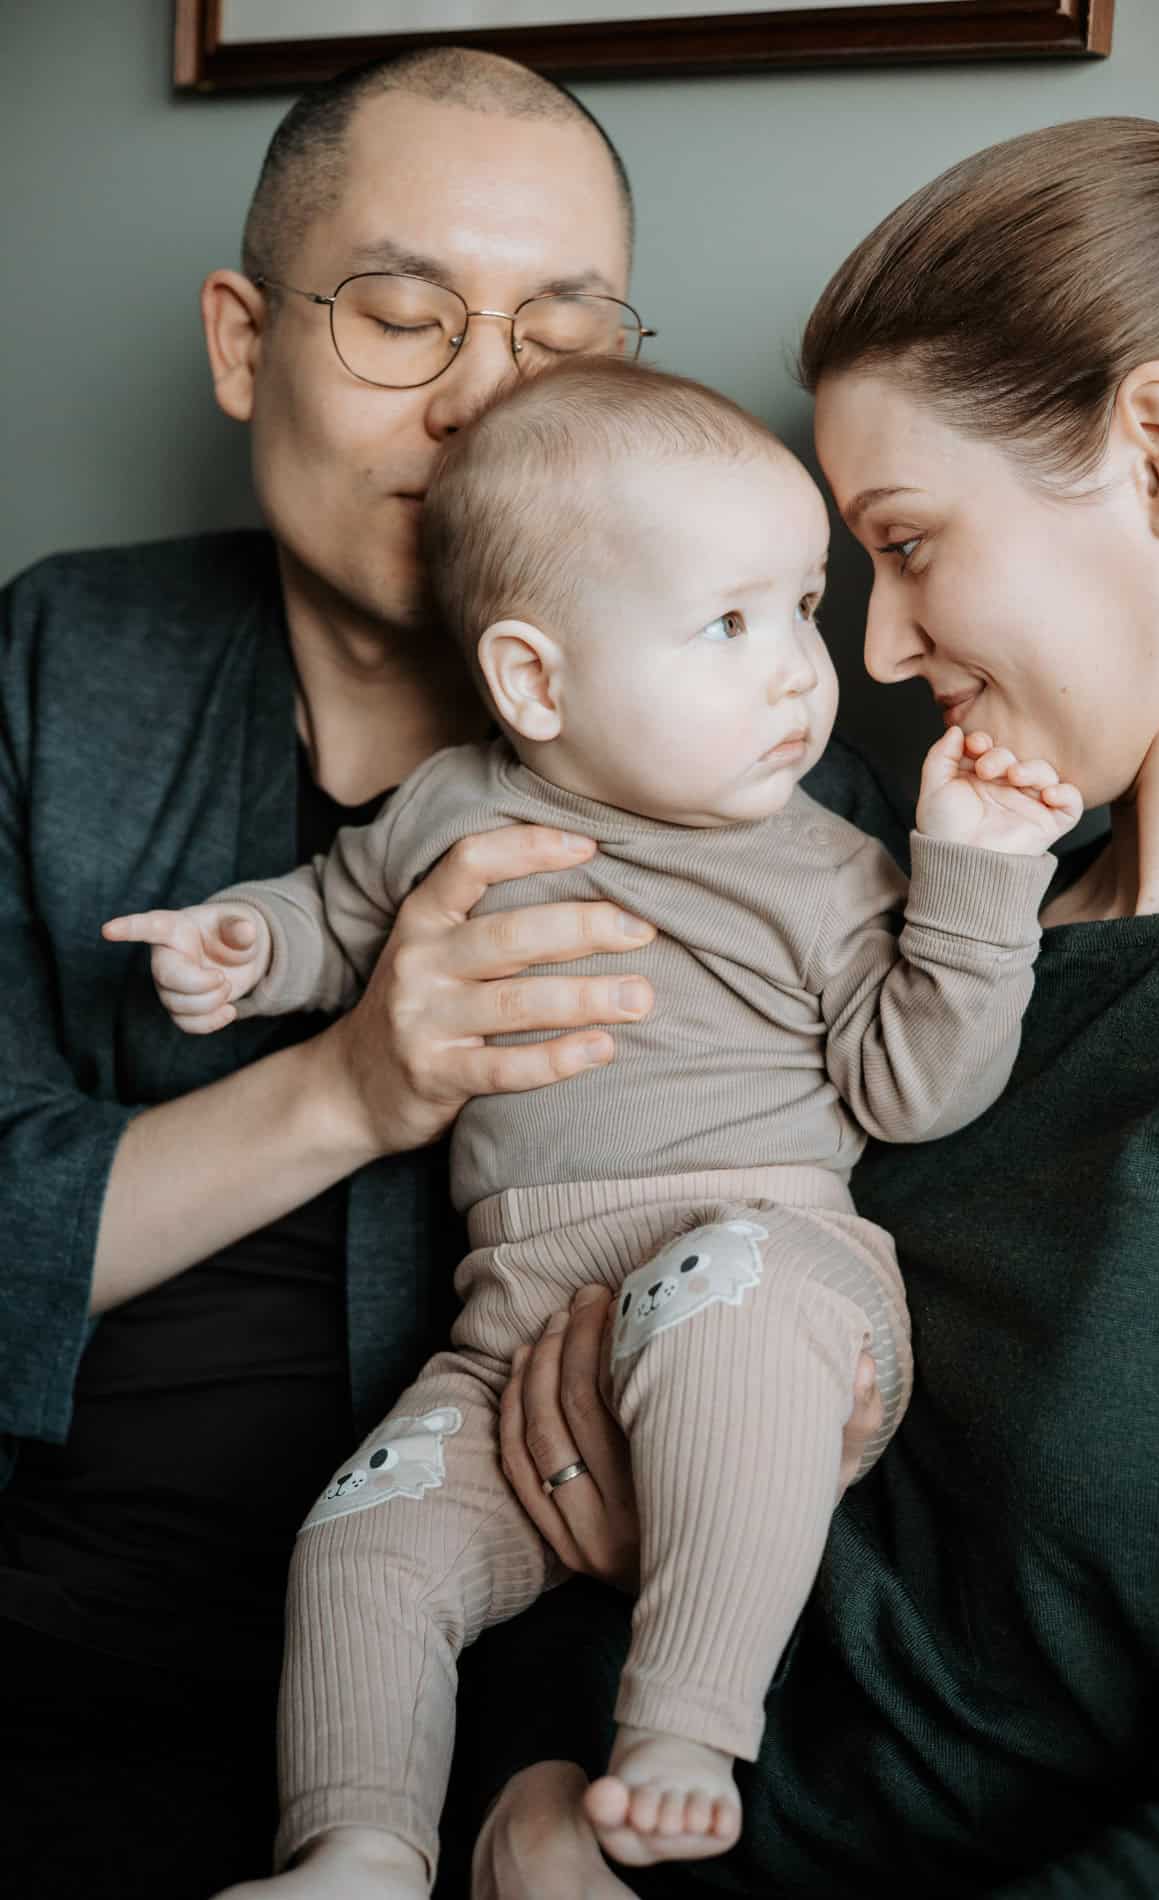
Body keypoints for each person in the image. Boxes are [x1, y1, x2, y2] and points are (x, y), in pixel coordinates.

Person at [107, 356, 1082, 1895]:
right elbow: (338, 913)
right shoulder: (447, 811)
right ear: (536, 683)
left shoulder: (826, 870)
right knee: (361, 1537)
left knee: (723, 1316)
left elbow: (917, 1087)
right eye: (727, 626)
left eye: (802, 603)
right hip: (514, 1335)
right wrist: (246, 946)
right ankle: (357, 1847)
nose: (799, 673)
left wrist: (974, 881)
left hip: (773, 1276)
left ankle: (687, 1726)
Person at [460, 116, 1159, 1899]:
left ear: (1158, 450)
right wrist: (528, 1787)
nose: (878, 654)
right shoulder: (913, 943)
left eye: (906, 544)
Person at [0, 45, 686, 1900]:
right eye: (400, 316)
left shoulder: (745, 760)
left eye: (560, 333)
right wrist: (355, 1086)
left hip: (522, 1712)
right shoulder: (63, 666)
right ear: (243, 344)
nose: (483, 402)